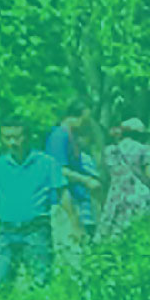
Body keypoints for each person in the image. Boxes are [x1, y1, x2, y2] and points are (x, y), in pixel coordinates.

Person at [0, 116, 80, 291]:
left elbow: (62, 193)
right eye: (7, 138)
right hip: (7, 231)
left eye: (17, 137)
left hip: (36, 230)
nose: (12, 143)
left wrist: (74, 223)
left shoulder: (46, 163)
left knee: (40, 281)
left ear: (27, 137)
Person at [44, 100, 101, 239]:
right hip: (64, 203)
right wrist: (86, 180)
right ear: (73, 117)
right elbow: (58, 170)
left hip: (77, 200)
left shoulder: (72, 138)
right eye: (85, 120)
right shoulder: (59, 136)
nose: (86, 125)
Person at [98, 118, 150, 241]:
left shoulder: (109, 151)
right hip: (137, 196)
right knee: (137, 233)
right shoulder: (144, 150)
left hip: (115, 196)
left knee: (112, 234)